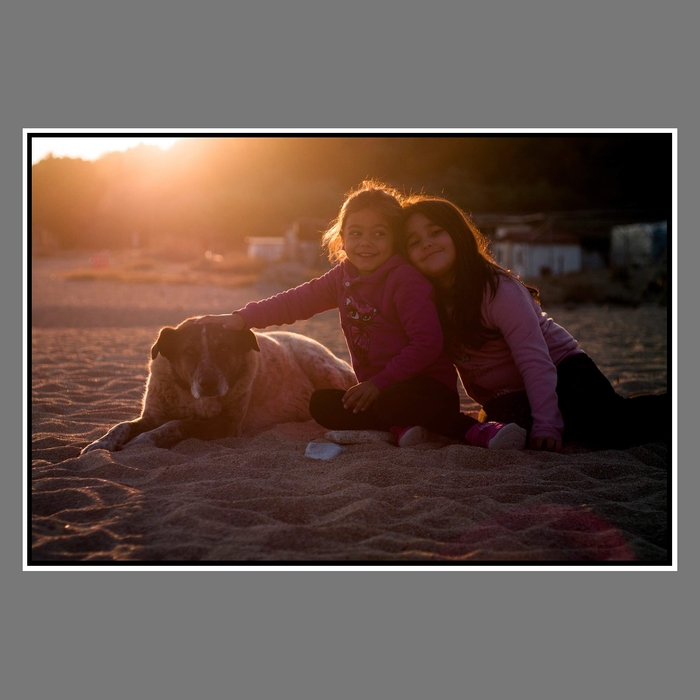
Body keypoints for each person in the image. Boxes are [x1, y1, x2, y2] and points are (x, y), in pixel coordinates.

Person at [194, 181, 527, 450]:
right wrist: (242, 318)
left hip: (424, 389)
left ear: (395, 239)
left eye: (379, 233)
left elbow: (427, 343)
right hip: (376, 391)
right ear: (341, 238)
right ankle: (401, 428)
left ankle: (476, 431)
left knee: (399, 401)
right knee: (322, 404)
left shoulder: (405, 280)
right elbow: (295, 301)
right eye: (356, 233)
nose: (366, 243)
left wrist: (378, 384)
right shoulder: (342, 277)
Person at [400, 194, 670, 452]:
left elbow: (534, 359)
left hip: (563, 371)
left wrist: (547, 424)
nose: (426, 244)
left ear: (458, 234)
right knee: (513, 427)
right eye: (414, 242)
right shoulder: (425, 300)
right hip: (509, 394)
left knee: (613, 429)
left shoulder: (496, 290)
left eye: (435, 232)